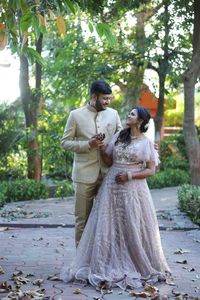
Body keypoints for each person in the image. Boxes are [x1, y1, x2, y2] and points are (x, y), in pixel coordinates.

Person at [61, 105, 170, 289]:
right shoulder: (120, 136)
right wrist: (102, 149)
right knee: (108, 224)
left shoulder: (147, 142)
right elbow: (110, 161)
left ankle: (137, 261)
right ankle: (104, 261)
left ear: (141, 120)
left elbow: (151, 170)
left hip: (133, 188)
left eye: (133, 114)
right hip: (111, 185)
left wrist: (129, 176)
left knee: (132, 223)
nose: (129, 115)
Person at [61, 80, 122, 246]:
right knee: (82, 219)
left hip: (107, 173)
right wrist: (88, 144)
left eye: (109, 98)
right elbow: (65, 142)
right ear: (94, 97)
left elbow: (121, 139)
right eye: (104, 98)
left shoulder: (113, 114)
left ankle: (102, 258)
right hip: (83, 176)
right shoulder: (75, 115)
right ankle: (81, 261)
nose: (108, 102)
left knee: (108, 219)